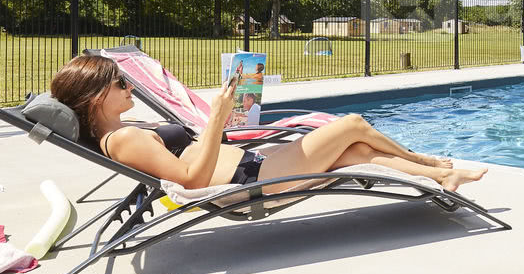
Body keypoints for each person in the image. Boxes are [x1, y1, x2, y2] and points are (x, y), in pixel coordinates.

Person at [49, 54, 485, 193]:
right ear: (95, 97)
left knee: (357, 153)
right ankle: (431, 162)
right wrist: (218, 120)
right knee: (352, 123)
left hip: (257, 163)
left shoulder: (125, 129)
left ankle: (441, 176)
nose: (129, 86)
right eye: (120, 82)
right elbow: (193, 181)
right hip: (254, 178)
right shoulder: (124, 139)